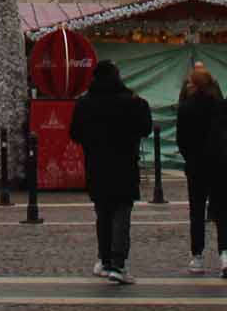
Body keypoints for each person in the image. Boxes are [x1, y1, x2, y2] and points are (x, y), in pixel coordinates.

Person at [70, 58, 152, 284]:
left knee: (103, 213)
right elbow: (145, 128)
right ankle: (118, 263)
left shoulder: (85, 103)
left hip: (97, 164)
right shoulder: (131, 101)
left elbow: (75, 133)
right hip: (124, 163)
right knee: (121, 213)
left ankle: (104, 260)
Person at [174, 63, 227, 279]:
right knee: (222, 211)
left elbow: (181, 140)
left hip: (197, 165)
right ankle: (225, 254)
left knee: (197, 211)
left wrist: (190, 157)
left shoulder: (186, 108)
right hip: (221, 165)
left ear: (193, 85)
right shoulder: (222, 106)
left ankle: (197, 256)